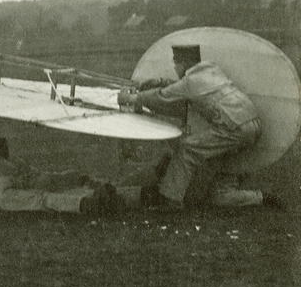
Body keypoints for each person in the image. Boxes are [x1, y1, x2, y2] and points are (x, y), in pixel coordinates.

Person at [118, 44, 278, 209]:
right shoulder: (211, 70)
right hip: (252, 123)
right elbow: (190, 87)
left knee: (187, 149)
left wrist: (133, 99)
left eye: (176, 64)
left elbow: (162, 96)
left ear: (183, 64)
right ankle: (261, 198)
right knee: (219, 196)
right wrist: (161, 82)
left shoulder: (191, 82)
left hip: (234, 128)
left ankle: (170, 200)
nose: (175, 68)